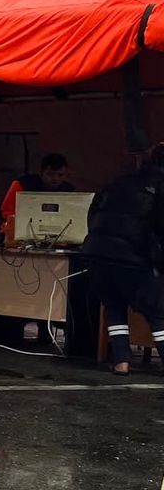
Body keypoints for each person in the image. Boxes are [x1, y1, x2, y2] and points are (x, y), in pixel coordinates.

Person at [82, 146, 164, 375]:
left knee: (114, 306)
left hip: (98, 255)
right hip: (132, 258)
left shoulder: (117, 182)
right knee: (156, 311)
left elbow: (92, 214)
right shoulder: (160, 187)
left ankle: (121, 362)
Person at [1, 152, 75, 240]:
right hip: (18, 233)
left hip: (57, 235)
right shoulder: (22, 184)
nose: (55, 178)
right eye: (50, 174)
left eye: (60, 175)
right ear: (41, 173)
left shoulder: (68, 190)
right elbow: (7, 212)